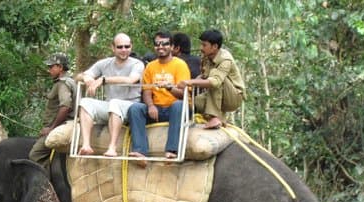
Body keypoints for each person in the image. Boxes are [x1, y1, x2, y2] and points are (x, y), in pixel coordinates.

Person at [127, 31, 191, 164]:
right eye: (157, 44)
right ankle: (140, 152)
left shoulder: (180, 65)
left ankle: (172, 151)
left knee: (178, 105)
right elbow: (146, 90)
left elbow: (184, 94)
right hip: (157, 109)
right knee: (135, 108)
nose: (160, 47)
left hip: (176, 109)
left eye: (165, 44)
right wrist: (150, 105)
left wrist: (169, 87)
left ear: (172, 46)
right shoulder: (150, 66)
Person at [77, 33, 145, 157]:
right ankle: (86, 145)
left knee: (115, 103)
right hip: (110, 106)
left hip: (130, 106)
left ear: (131, 46)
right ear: (112, 48)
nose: (124, 50)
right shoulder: (105, 63)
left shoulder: (137, 64)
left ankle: (112, 147)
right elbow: (79, 76)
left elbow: (131, 80)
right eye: (120, 47)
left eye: (127, 46)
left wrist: (104, 80)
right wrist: (86, 77)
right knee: (85, 102)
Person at [177, 29, 245, 130]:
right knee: (196, 102)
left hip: (233, 97)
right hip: (217, 95)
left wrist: (189, 82)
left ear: (215, 47)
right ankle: (217, 118)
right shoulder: (206, 57)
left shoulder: (225, 59)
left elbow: (215, 81)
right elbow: (203, 76)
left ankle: (215, 117)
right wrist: (191, 83)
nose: (201, 48)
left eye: (204, 45)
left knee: (214, 80)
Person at [29, 53, 75, 167]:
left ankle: (45, 184)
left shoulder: (63, 84)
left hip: (60, 126)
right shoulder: (69, 81)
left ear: (60, 67)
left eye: (51, 67)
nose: (49, 70)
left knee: (35, 154)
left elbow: (65, 106)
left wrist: (51, 128)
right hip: (62, 125)